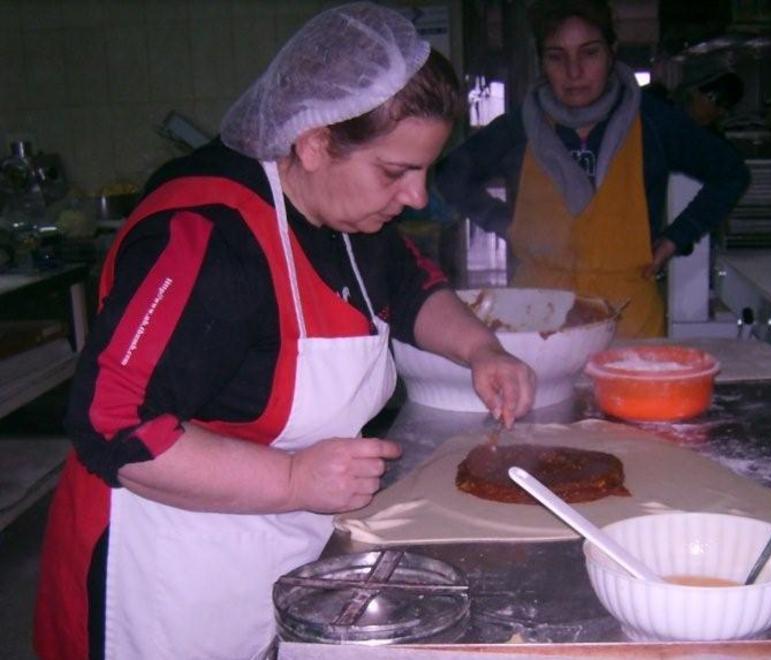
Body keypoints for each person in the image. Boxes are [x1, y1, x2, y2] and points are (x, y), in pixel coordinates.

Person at [33, 4, 535, 659]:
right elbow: (110, 425)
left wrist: (481, 348)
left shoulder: (352, 219)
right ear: (315, 140)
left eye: (425, 170)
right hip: (166, 576)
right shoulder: (207, 236)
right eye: (395, 171)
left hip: (276, 550)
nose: (416, 198)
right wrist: (294, 480)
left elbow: (411, 287)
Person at [435, 0, 750, 338]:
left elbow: (730, 173)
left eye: (589, 53)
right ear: (542, 60)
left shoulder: (654, 122)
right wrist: (506, 224)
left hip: (629, 318)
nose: (574, 72)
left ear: (612, 52)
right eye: (557, 56)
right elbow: (451, 174)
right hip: (536, 316)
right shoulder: (520, 128)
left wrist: (675, 238)